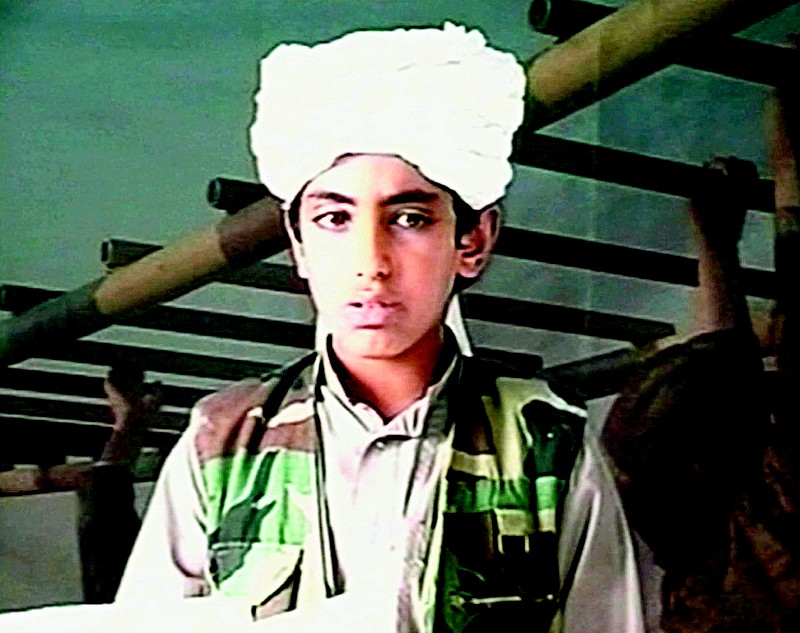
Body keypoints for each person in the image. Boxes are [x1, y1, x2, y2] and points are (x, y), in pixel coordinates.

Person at [115, 24, 644, 633]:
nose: (371, 262)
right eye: (334, 218)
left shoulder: (546, 446)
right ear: (299, 244)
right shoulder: (223, 445)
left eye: (410, 218)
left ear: (473, 240)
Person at [602, 81, 800, 631]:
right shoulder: (765, 530)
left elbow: (727, 375)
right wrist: (717, 242)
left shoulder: (701, 570)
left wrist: (715, 245)